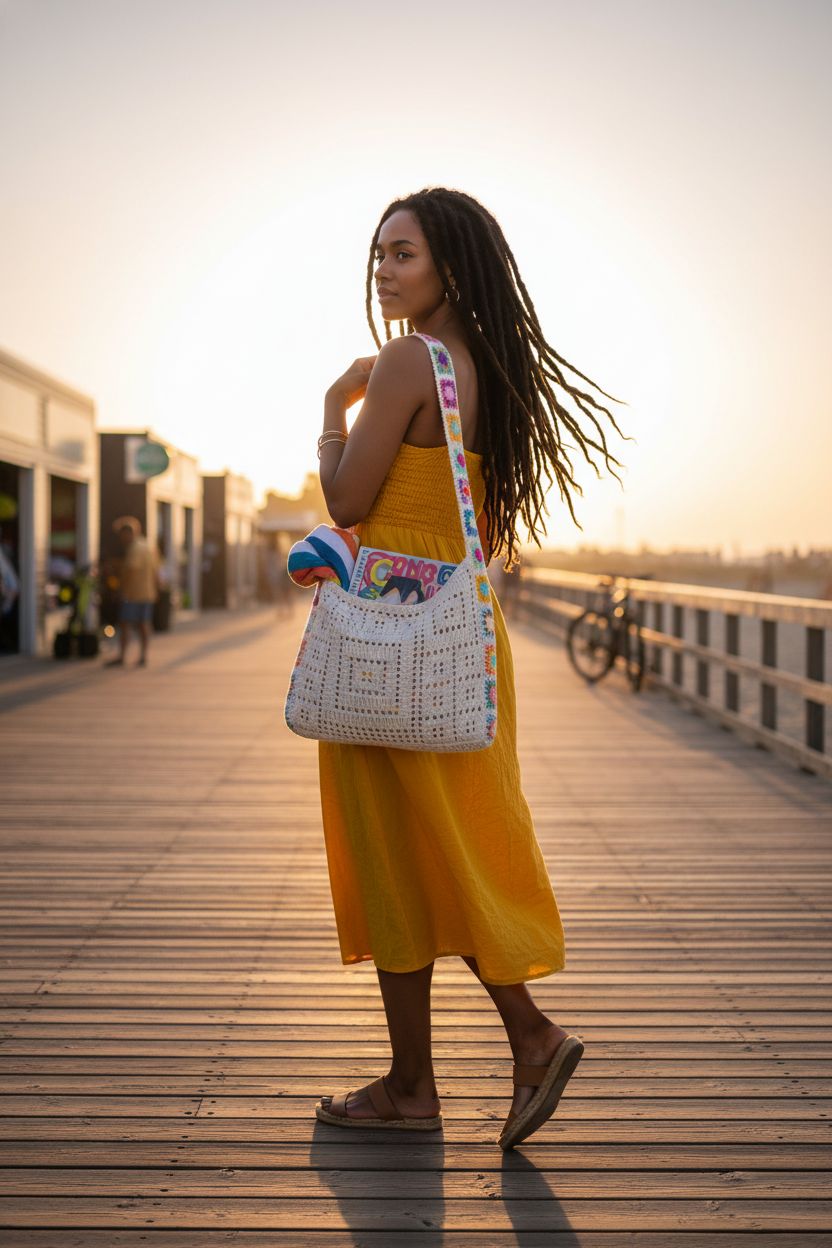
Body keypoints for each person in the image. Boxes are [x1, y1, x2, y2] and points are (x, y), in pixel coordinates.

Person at [313, 187, 628, 1148]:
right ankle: (438, 1072)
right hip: (460, 629)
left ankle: (498, 1050)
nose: (385, 269)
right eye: (379, 253)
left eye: (403, 253)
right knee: (452, 838)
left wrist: (332, 408)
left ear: (450, 264)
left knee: (391, 845)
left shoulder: (410, 360)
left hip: (388, 631)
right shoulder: (486, 367)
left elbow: (347, 499)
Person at [106, 517, 159, 667]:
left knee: (125, 624)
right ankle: (143, 656)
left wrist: (120, 589)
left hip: (132, 593)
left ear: (128, 533)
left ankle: (122, 656)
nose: (121, 539)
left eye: (121, 535)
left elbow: (131, 570)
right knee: (144, 624)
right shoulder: (147, 546)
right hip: (147, 592)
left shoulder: (134, 549)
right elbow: (156, 570)